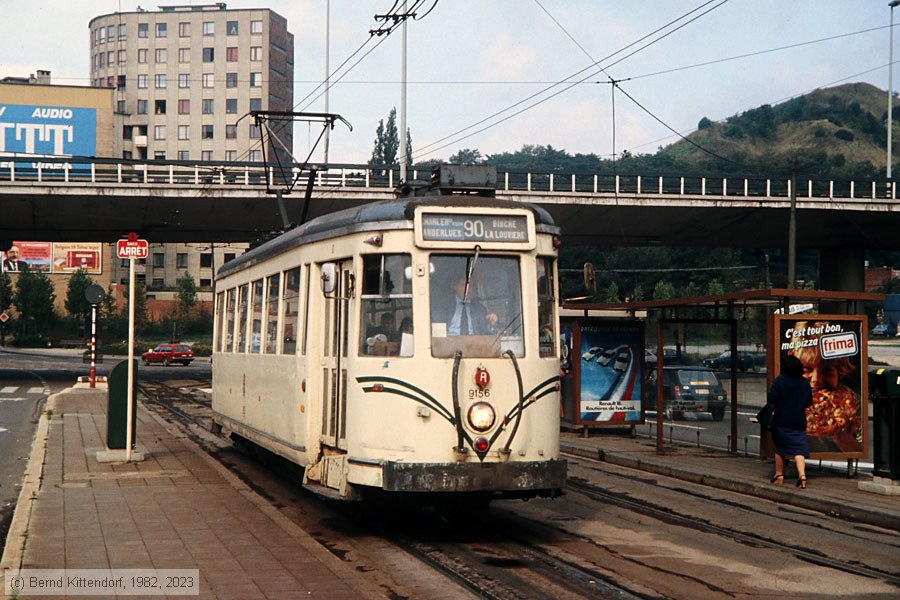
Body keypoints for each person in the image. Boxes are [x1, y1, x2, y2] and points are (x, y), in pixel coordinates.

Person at [766, 354, 813, 489]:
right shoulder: (804, 382)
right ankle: (802, 476)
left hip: (782, 420)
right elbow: (808, 402)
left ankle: (779, 475)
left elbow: (772, 398)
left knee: (780, 448)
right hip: (798, 421)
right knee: (799, 450)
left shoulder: (780, 381)